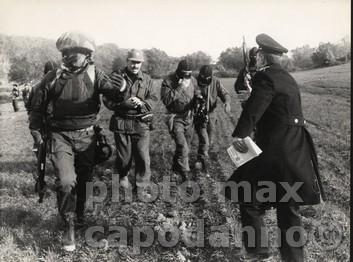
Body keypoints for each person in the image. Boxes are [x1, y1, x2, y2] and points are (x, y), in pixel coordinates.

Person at [225, 34, 325, 262]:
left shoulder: (265, 78)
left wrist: (240, 134)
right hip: (295, 150)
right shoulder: (287, 78)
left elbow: (255, 110)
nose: (256, 59)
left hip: (274, 150)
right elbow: (277, 109)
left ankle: (257, 252)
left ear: (261, 56)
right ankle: (294, 258)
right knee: (287, 205)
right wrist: (253, 98)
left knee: (248, 196)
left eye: (258, 55)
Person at [29, 31, 125, 252]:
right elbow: (36, 108)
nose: (74, 56)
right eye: (69, 52)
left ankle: (80, 213)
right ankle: (69, 223)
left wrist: (120, 89)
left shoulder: (95, 74)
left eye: (79, 52)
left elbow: (113, 94)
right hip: (59, 136)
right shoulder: (52, 77)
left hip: (87, 136)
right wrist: (36, 133)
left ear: (87, 54)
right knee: (65, 181)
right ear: (63, 54)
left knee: (84, 180)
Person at [102, 49, 158, 191]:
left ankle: (141, 187)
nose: (135, 66)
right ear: (127, 61)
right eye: (133, 62)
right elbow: (106, 99)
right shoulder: (116, 77)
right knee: (124, 158)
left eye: (138, 63)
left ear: (141, 64)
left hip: (141, 123)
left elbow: (154, 98)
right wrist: (122, 104)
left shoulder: (147, 79)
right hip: (122, 122)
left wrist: (143, 104)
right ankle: (123, 176)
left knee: (143, 157)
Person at [160, 59, 198, 181]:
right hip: (175, 117)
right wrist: (181, 86)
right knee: (183, 146)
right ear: (179, 71)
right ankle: (185, 174)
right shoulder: (168, 81)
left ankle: (176, 168)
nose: (187, 75)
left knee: (185, 144)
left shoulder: (192, 79)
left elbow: (196, 90)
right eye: (184, 73)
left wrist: (199, 97)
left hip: (189, 117)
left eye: (189, 73)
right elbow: (166, 99)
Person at [194, 65, 231, 172]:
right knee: (204, 139)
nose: (205, 80)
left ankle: (202, 157)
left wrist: (227, 102)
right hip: (198, 115)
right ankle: (201, 161)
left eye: (207, 78)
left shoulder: (215, 81)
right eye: (203, 78)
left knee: (209, 138)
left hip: (211, 114)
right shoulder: (194, 81)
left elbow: (225, 93)